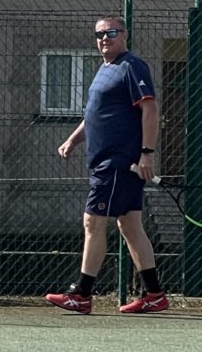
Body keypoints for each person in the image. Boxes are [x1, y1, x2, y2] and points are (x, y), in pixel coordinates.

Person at [46, 18, 167, 315]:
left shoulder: (131, 66)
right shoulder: (104, 70)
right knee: (130, 224)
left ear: (124, 35)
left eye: (111, 32)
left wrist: (147, 154)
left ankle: (81, 294)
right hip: (106, 161)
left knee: (93, 222)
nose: (104, 38)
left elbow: (150, 109)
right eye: (99, 34)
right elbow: (95, 114)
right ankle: (154, 294)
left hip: (118, 162)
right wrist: (72, 140)